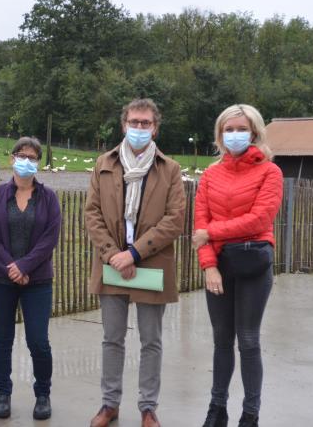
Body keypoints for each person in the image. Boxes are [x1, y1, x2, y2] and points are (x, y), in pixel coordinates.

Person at [85, 98, 186, 427]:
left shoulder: (169, 169)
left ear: (155, 128)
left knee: (151, 341)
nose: (139, 128)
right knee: (112, 339)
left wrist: (134, 253)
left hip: (151, 264)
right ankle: (109, 404)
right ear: (123, 125)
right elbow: (92, 214)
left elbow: (174, 220)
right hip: (111, 263)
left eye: (145, 123)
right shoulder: (104, 163)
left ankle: (147, 407)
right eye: (134, 122)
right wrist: (114, 255)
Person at [192, 104, 283, 427]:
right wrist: (208, 267)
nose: (234, 135)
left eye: (240, 129)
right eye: (227, 130)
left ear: (255, 132)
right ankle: (217, 409)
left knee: (248, 339)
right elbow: (199, 223)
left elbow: (259, 219)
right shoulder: (210, 175)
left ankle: (251, 413)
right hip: (219, 265)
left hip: (253, 265)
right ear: (219, 135)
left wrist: (212, 233)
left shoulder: (270, 172)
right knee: (221, 340)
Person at [0, 137, 61, 421]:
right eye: (21, 155)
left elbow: (50, 237)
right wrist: (10, 267)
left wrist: (25, 266)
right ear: (12, 158)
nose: (26, 160)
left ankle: (43, 393)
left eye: (32, 156)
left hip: (37, 282)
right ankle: (3, 393)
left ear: (38, 161)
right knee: (2, 339)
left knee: (38, 340)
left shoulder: (49, 198)